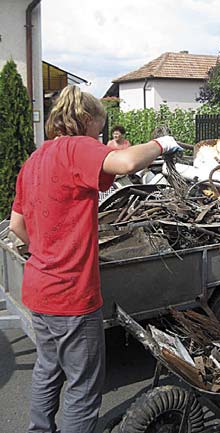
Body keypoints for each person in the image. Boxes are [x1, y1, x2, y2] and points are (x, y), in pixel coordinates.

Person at [9, 85, 182, 433]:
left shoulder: (35, 159)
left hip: (38, 288)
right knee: (83, 387)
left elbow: (17, 227)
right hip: (71, 294)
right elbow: (129, 162)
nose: (100, 137)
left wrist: (48, 249)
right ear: (86, 121)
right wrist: (163, 144)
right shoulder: (77, 147)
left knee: (47, 369)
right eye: (99, 129)